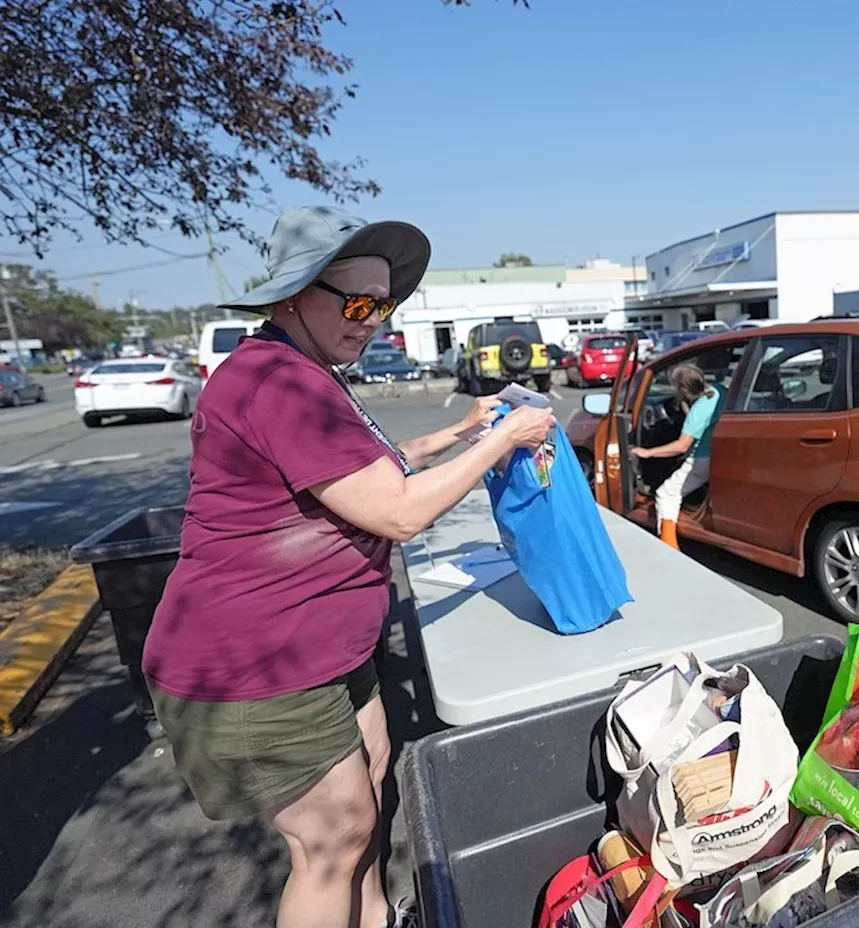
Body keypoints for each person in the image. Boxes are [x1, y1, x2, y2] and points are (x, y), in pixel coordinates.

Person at [140, 206, 555, 928]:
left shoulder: (308, 369)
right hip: (258, 663)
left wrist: (460, 431)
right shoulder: (277, 380)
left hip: (326, 649)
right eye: (358, 303)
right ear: (291, 295)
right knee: (331, 843)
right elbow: (396, 511)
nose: (373, 321)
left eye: (385, 305)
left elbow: (369, 472)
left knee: (367, 805)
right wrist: (509, 437)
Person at [632, 363, 726, 549]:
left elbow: (681, 447)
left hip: (701, 460)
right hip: (719, 454)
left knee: (666, 494)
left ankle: (670, 547)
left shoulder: (698, 411)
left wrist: (648, 452)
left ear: (682, 389)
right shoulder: (719, 391)